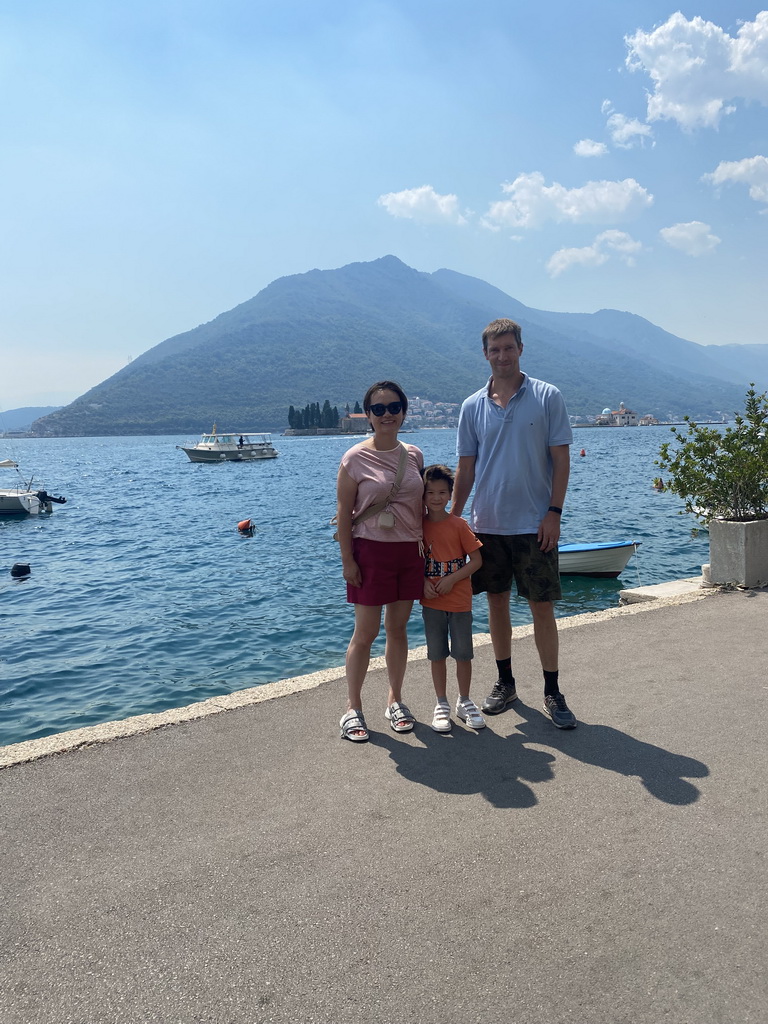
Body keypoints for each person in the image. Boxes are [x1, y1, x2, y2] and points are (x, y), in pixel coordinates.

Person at [451, 318, 577, 728]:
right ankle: (506, 682)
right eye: (494, 350)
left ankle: (553, 691)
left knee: (543, 608)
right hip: (486, 524)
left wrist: (554, 513)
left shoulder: (547, 396)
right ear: (485, 354)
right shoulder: (472, 406)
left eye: (509, 348)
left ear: (521, 348)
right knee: (497, 603)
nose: (502, 356)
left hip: (535, 524)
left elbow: (561, 460)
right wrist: (452, 520)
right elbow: (465, 469)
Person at [336, 381, 425, 742]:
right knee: (366, 633)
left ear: (403, 411)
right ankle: (352, 707)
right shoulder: (354, 458)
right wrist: (347, 560)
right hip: (370, 551)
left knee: (399, 629)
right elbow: (344, 514)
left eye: (393, 407)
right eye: (378, 408)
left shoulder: (414, 454)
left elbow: (423, 505)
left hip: (409, 551)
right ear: (368, 415)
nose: (386, 414)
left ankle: (394, 699)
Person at [420, 464, 484, 733]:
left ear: (450, 495)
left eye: (442, 492)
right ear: (422, 495)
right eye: (430, 492)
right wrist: (422, 582)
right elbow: (413, 562)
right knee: (436, 655)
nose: (436, 498)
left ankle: (464, 700)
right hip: (431, 602)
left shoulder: (459, 525)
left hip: (459, 601)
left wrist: (452, 579)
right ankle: (441, 702)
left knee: (463, 655)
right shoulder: (417, 527)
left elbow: (477, 560)